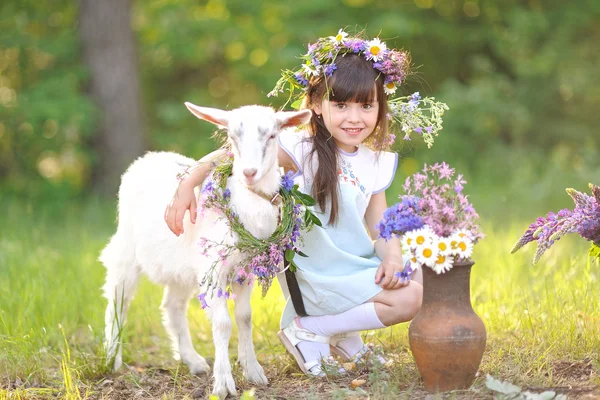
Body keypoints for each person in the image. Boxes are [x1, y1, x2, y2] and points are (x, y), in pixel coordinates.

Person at [165, 30, 427, 376]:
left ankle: (343, 334)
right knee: (411, 298)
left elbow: (381, 226)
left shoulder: (376, 161)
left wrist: (393, 256)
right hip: (318, 277)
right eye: (341, 104)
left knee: (422, 272)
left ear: (380, 108)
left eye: (366, 105)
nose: (354, 117)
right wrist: (189, 182)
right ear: (317, 106)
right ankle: (311, 329)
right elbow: (234, 153)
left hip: (353, 266)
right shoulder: (301, 148)